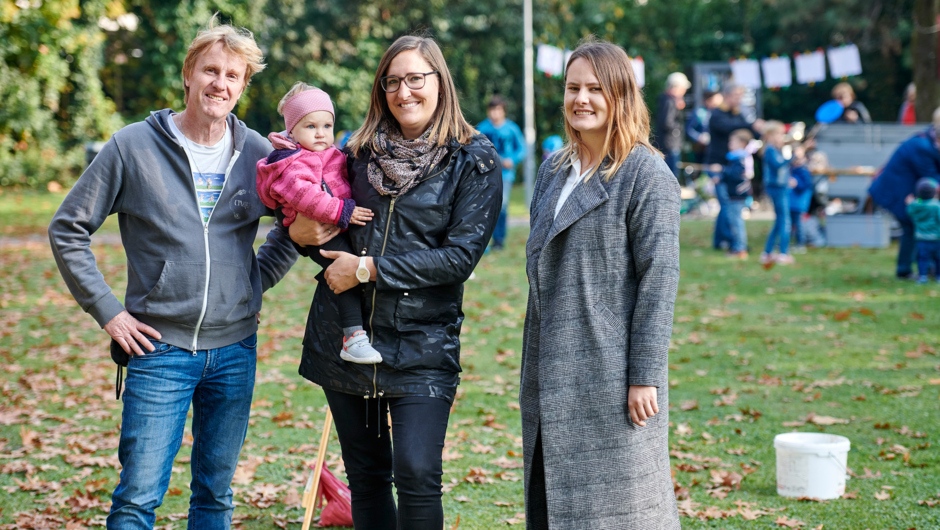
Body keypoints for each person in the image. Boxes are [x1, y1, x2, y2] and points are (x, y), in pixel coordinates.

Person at [47, 19, 298, 530]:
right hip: (157, 349)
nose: (220, 84)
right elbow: (67, 228)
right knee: (138, 497)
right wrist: (110, 313)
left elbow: (296, 223)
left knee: (215, 495)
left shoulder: (259, 155)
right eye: (210, 70)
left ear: (244, 86)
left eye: (233, 75)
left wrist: (255, 279)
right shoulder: (132, 146)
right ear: (188, 74)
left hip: (235, 350)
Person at [286, 35, 501, 529]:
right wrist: (298, 232)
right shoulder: (355, 153)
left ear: (439, 82)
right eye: (392, 81)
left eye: (415, 78)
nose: (404, 91)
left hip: (422, 340)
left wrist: (369, 269)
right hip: (346, 337)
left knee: (418, 470)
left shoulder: (473, 159)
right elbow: (319, 223)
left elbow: (459, 258)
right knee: (366, 476)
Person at [522, 38, 681, 529]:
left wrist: (644, 375)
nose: (581, 99)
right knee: (554, 501)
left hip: (613, 374)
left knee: (624, 507)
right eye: (573, 88)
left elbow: (660, 280)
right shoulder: (553, 169)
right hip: (549, 366)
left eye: (595, 88)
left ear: (620, 96)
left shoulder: (646, 173)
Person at [256, 83, 381, 364]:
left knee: (356, 271)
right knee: (345, 271)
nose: (321, 133)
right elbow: (306, 197)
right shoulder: (291, 162)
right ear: (292, 131)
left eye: (327, 125)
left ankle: (360, 332)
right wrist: (341, 211)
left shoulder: (329, 153)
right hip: (319, 231)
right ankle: (353, 337)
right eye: (310, 126)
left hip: (333, 223)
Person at [869, 108, 940, 279]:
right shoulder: (922, 146)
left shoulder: (928, 140)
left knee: (915, 226)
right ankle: (905, 270)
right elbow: (932, 178)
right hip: (895, 192)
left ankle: (923, 267)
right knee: (911, 225)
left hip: (905, 190)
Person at [706, 83, 764, 251]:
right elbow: (729, 127)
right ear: (727, 96)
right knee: (726, 204)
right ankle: (731, 240)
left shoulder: (738, 115)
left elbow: (748, 133)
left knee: (727, 205)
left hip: (732, 167)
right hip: (718, 164)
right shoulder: (717, 114)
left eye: (740, 96)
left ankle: (721, 240)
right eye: (736, 96)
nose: (738, 100)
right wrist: (750, 125)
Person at [477, 95, 526, 251]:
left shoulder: (511, 129)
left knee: (502, 206)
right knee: (484, 207)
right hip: (485, 175)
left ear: (503, 111)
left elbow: (522, 149)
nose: (494, 113)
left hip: (505, 175)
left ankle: (499, 241)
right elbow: (473, 148)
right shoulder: (482, 129)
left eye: (497, 110)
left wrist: (512, 159)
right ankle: (483, 241)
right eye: (491, 110)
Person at [709, 129, 758, 259]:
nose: (729, 144)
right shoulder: (737, 158)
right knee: (734, 223)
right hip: (734, 195)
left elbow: (737, 176)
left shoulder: (741, 158)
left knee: (736, 224)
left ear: (742, 143)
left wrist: (722, 170)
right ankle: (737, 247)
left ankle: (740, 249)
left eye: (732, 141)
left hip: (737, 196)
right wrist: (720, 177)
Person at [760, 121, 795, 265]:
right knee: (785, 220)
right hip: (777, 188)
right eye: (779, 134)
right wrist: (792, 158)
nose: (782, 137)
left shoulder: (775, 149)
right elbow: (777, 165)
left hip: (780, 186)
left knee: (780, 220)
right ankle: (783, 253)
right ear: (770, 135)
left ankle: (768, 252)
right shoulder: (770, 150)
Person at [654, 71, 691, 179]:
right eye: (683, 88)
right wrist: (678, 129)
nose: (684, 91)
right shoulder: (669, 101)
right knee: (671, 174)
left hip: (669, 142)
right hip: (670, 143)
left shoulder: (668, 100)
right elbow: (667, 122)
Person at [905, 178, 940, 283]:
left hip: (921, 238)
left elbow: (910, 212)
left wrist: (909, 202)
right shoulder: (936, 205)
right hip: (936, 238)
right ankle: (938, 276)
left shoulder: (915, 205)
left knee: (922, 258)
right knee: (938, 259)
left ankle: (923, 277)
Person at [788, 145, 815, 253]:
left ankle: (800, 243)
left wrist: (797, 184)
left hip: (798, 202)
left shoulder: (804, 171)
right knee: (790, 224)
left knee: (798, 224)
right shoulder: (791, 170)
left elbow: (806, 186)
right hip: (791, 201)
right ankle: (789, 242)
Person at [686, 90, 722, 164]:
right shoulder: (699, 112)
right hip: (701, 149)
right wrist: (699, 137)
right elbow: (689, 129)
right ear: (708, 101)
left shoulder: (720, 113)